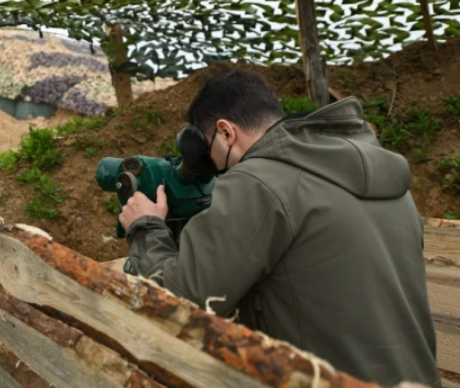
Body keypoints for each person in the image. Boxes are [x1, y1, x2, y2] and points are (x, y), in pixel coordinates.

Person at [119, 67, 441, 388]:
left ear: (226, 132)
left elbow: (183, 301)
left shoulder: (258, 183)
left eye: (210, 148)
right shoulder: (385, 178)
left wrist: (145, 227)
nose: (213, 166)